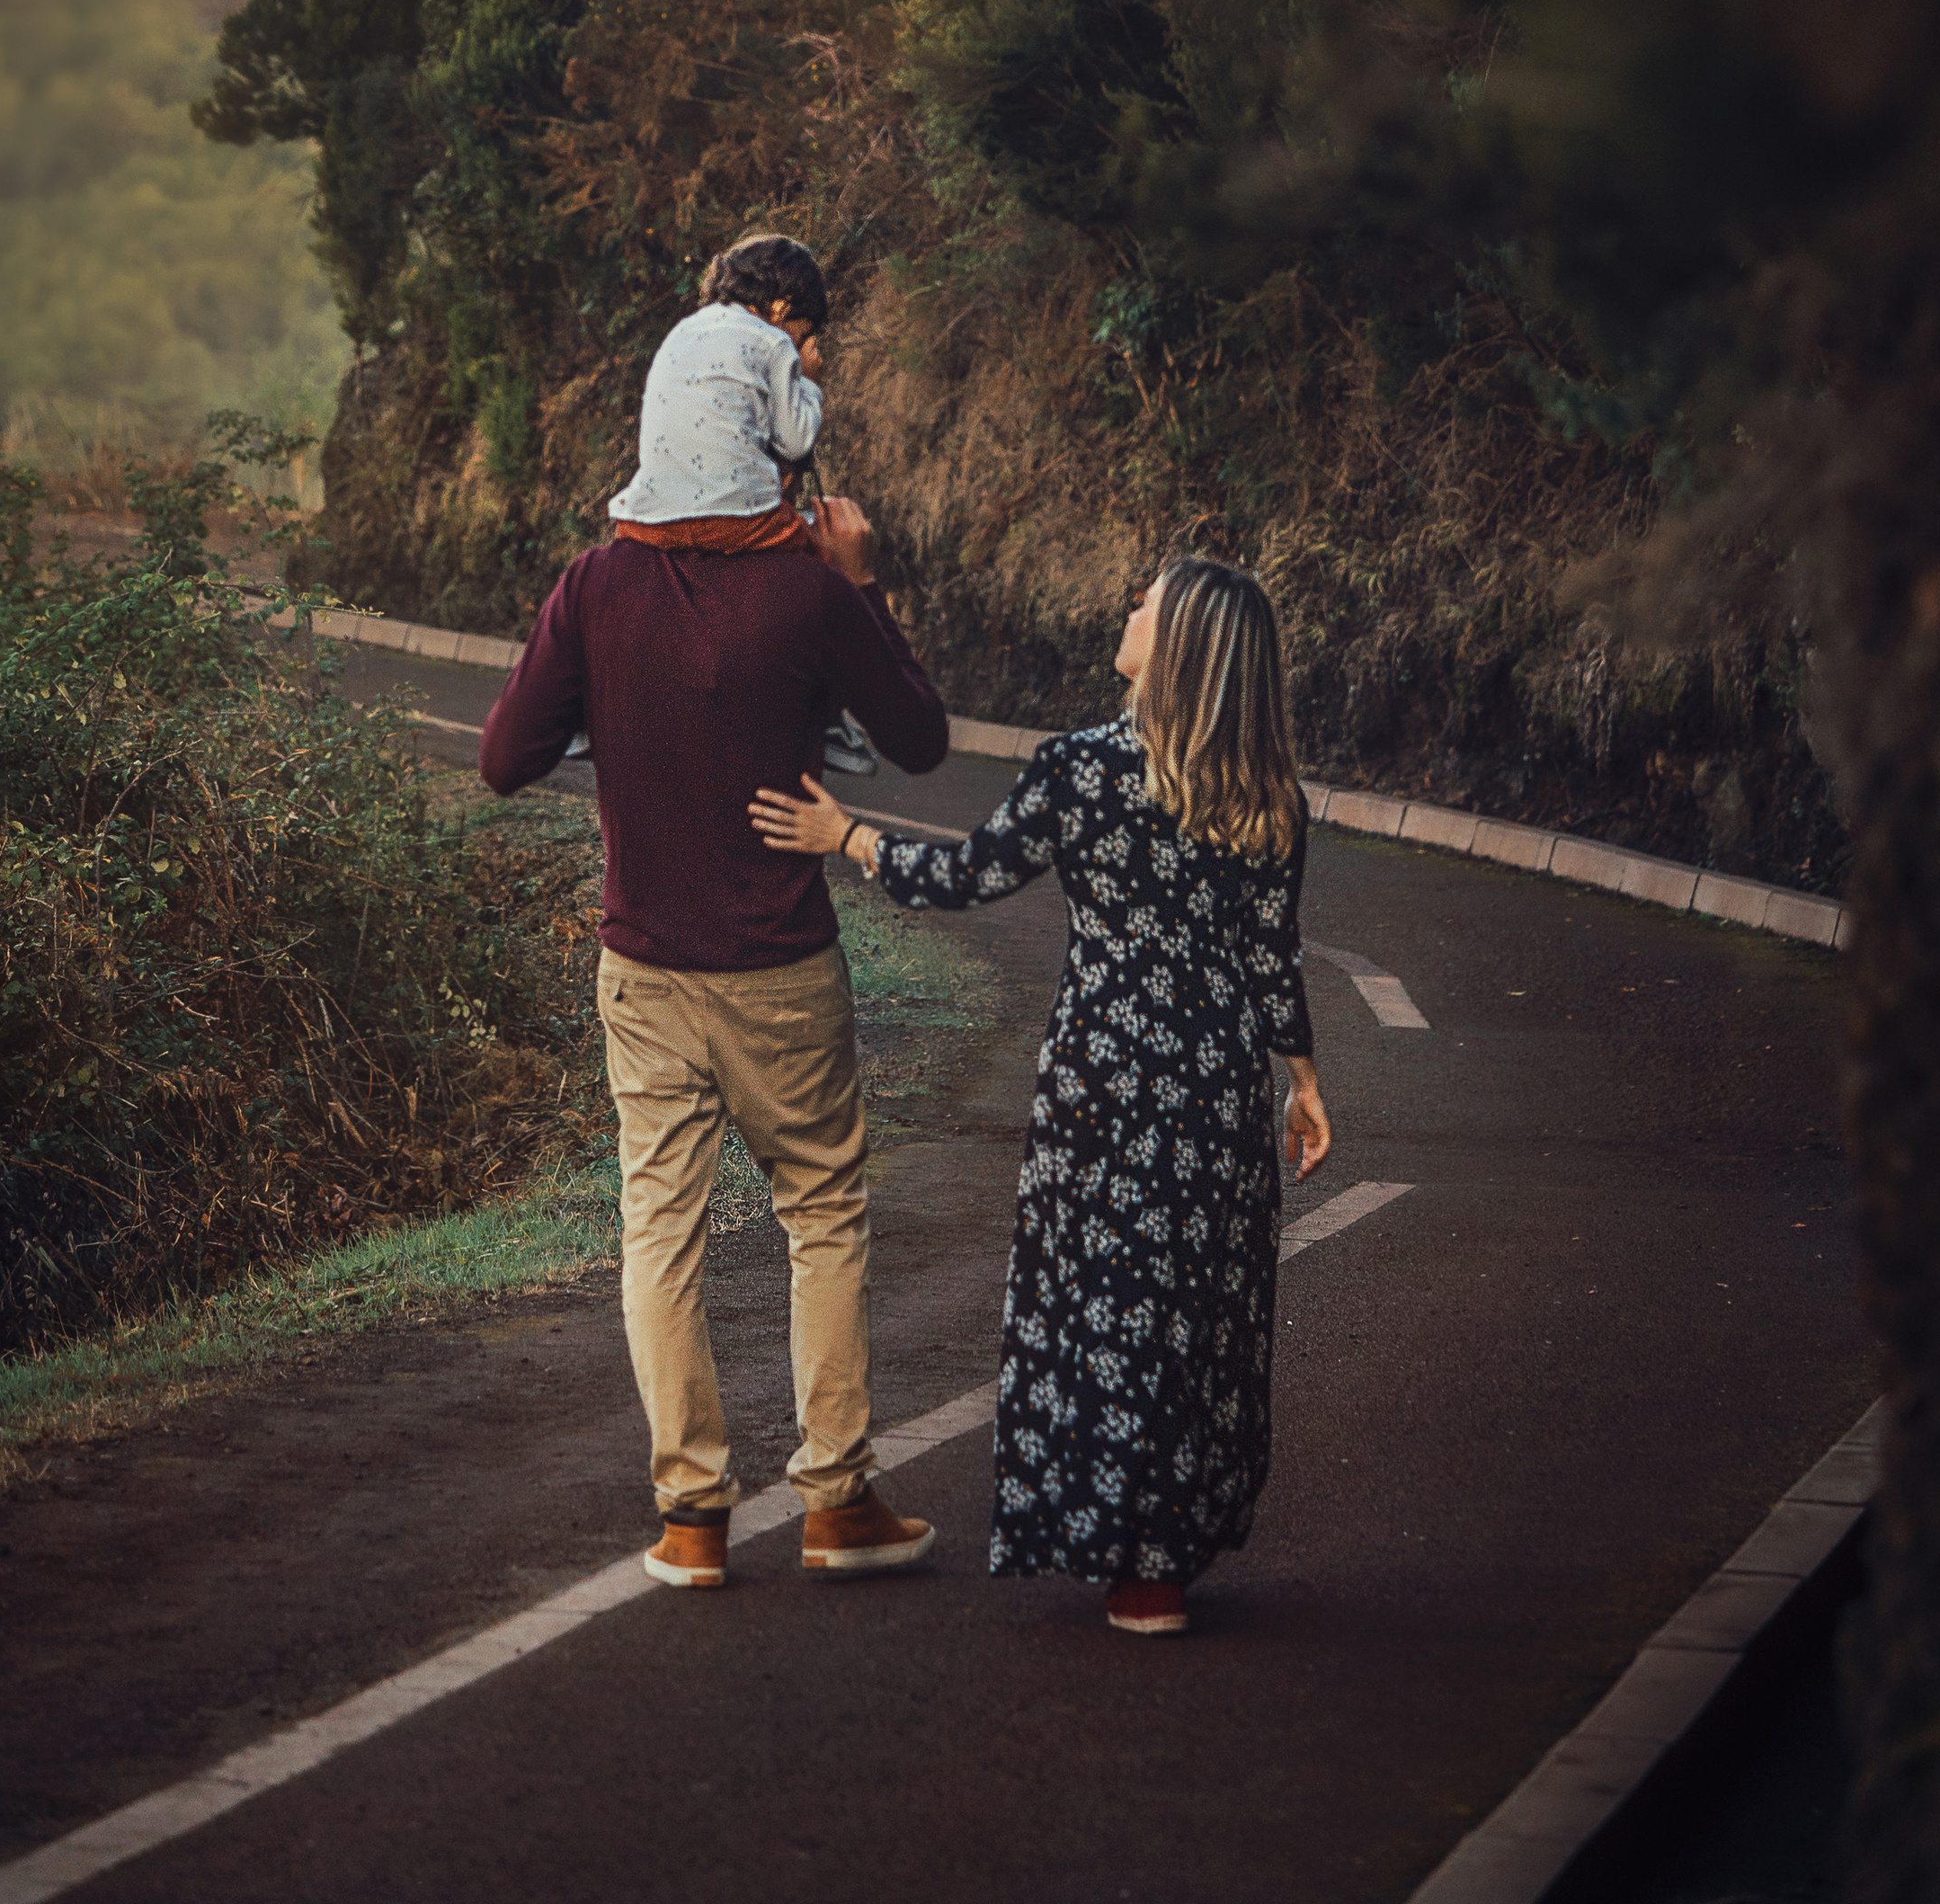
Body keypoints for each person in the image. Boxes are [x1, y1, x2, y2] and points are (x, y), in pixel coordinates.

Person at [750, 556, 1330, 1637]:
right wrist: (1301, 1083)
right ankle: (1157, 1566)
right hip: (1213, 1099)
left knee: (1101, 1308)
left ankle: (1108, 1533)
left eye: (1143, 604)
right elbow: (1270, 958)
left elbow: (969, 874)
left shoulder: (1083, 770)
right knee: (1194, 1319)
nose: (1126, 608)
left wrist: (851, 837)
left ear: (1181, 646)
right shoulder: (1268, 799)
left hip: (1102, 1090)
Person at [481, 339, 950, 1591]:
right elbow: (919, 738)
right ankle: (835, 1500)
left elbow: (503, 759)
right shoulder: (807, 594)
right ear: (766, 438)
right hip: (779, 969)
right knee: (823, 1215)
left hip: (642, 970)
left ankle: (691, 1517)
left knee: (661, 1234)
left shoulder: (593, 585)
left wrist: (604, 706)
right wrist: (863, 587)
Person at [607, 234, 828, 548]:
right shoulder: (773, 342)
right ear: (781, 308)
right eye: (802, 333)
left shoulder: (684, 330)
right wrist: (808, 380)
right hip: (736, 517)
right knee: (817, 542)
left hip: (649, 520)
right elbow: (795, 441)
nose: (798, 345)